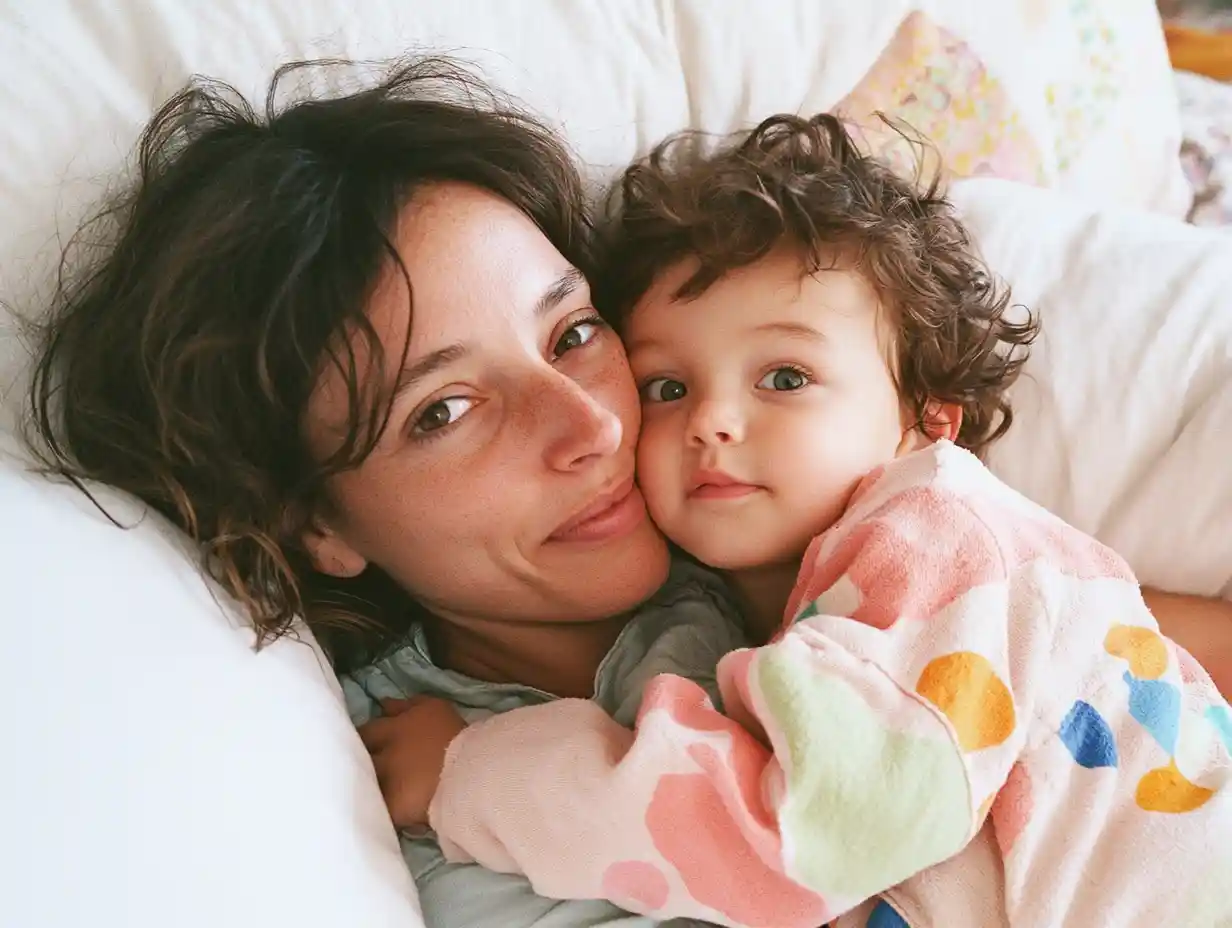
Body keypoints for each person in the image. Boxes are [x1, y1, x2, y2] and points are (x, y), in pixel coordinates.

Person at [22, 56, 1231, 928]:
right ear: (315, 525)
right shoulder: (414, 785)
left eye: (575, 332)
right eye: (442, 410)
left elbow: (1123, 653)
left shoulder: (814, 521)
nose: (595, 424)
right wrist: (468, 774)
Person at [397, 114, 1232, 928]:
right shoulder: (787, 601)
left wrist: (473, 772)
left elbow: (800, 839)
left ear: (926, 419)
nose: (711, 421)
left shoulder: (935, 537)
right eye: (668, 386)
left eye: (786, 377)